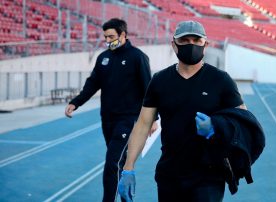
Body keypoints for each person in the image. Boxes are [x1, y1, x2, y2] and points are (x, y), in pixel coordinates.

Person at [118, 20, 265, 202]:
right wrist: (128, 168)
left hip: (209, 176)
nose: (191, 45)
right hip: (169, 175)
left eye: (196, 40)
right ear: (174, 45)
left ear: (205, 44)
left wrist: (216, 127)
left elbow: (245, 123)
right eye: (185, 40)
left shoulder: (221, 80)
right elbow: (142, 125)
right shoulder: (159, 80)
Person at [64, 18, 157, 202]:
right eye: (105, 37)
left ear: (123, 35)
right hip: (107, 119)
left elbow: (149, 89)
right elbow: (92, 84)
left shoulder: (137, 57)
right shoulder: (103, 58)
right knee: (120, 164)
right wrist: (76, 102)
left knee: (112, 163)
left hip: (129, 120)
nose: (108, 40)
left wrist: (154, 119)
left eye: (111, 36)